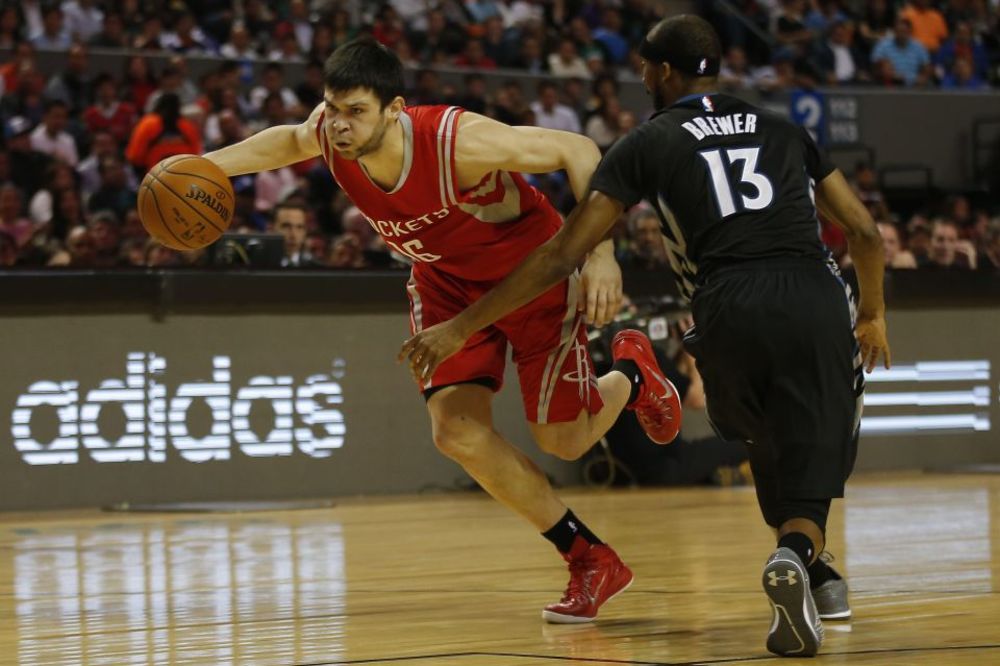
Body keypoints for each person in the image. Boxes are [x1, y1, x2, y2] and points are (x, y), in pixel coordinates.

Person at [400, 15, 891, 658]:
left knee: (765, 440)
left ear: (661, 72)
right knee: (820, 446)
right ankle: (805, 556)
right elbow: (864, 233)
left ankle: (810, 568)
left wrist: (464, 325)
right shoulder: (784, 128)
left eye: (642, 71)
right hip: (812, 294)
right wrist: (873, 315)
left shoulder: (649, 140)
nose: (640, 80)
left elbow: (556, 257)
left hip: (724, 311)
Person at [204, 37, 681, 624]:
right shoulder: (330, 134)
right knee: (455, 432)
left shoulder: (456, 141)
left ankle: (632, 374)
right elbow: (287, 140)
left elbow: (576, 147)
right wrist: (202, 167)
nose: (341, 125)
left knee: (564, 440)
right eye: (333, 108)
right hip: (446, 281)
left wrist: (603, 252)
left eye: (356, 111)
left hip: (532, 276)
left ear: (395, 108)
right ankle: (588, 557)